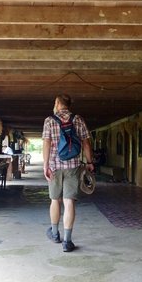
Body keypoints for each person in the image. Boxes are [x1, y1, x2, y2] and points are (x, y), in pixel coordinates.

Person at [42, 94, 94, 252]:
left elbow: (46, 143)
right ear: (69, 105)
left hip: (55, 167)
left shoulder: (49, 120)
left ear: (57, 103)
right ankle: (67, 241)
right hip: (73, 166)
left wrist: (45, 165)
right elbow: (86, 143)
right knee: (69, 201)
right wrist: (90, 162)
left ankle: (55, 234)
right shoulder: (78, 119)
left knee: (55, 200)